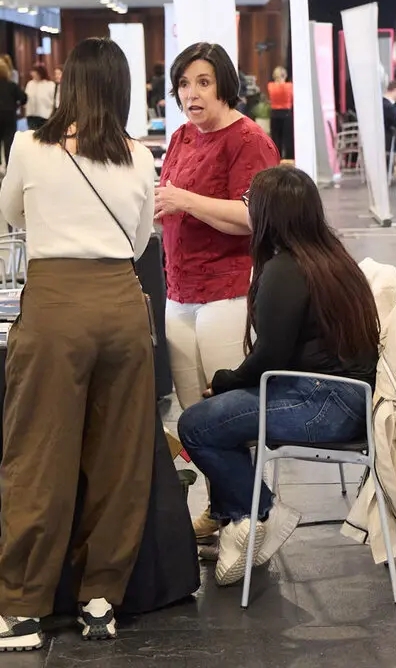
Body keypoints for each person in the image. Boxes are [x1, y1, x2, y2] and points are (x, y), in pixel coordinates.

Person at [0, 37, 158, 654]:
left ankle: (19, 608)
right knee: (118, 456)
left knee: (38, 454)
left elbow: (12, 213)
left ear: (67, 87)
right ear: (120, 90)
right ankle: (101, 599)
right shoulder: (139, 157)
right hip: (122, 302)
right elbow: (142, 240)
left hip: (55, 302)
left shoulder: (31, 148)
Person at [178, 165, 379, 585]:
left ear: (270, 212)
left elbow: (270, 355)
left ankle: (258, 512)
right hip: (349, 397)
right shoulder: (328, 254)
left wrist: (227, 379)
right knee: (220, 418)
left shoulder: (285, 269)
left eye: (250, 202)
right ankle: (238, 519)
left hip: (324, 403)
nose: (246, 209)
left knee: (196, 423)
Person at [156, 42, 280, 539]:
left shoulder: (248, 139)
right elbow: (165, 199)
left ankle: (254, 516)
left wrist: (184, 199)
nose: (192, 93)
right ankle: (224, 507)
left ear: (224, 84)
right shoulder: (183, 137)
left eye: (203, 82)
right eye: (184, 84)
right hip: (179, 290)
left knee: (228, 414)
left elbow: (252, 216)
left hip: (228, 291)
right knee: (193, 416)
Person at [267, 66, 294, 160]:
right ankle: (289, 159)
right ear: (285, 75)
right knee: (288, 139)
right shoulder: (289, 86)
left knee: (275, 139)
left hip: (274, 113)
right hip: (286, 113)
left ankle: (276, 159)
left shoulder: (270, 85)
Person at [23, 65, 55, 131]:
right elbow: (26, 98)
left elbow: (54, 100)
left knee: (43, 137)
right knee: (32, 135)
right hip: (31, 115)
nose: (34, 76)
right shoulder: (30, 84)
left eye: (36, 74)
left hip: (45, 115)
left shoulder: (50, 84)